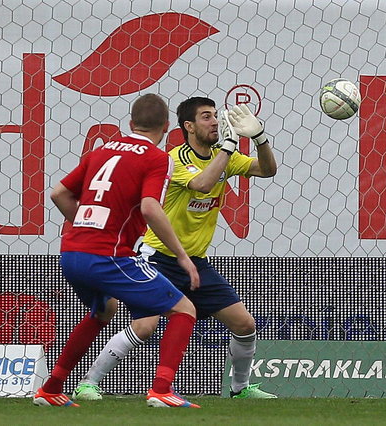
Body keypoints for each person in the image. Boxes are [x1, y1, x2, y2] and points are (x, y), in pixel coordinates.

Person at [72, 97, 278, 401]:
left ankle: (239, 389)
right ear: (188, 127)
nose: (216, 123)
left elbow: (268, 170)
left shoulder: (225, 157)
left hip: (196, 262)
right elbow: (203, 185)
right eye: (206, 117)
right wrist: (229, 147)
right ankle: (88, 382)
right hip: (159, 258)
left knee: (245, 324)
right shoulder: (174, 159)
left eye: (215, 117)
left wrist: (259, 138)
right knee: (145, 325)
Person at [33, 93, 201, 409]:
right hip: (107, 257)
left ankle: (51, 388)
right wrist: (180, 255)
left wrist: (86, 225)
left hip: (71, 255)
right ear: (167, 127)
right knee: (184, 310)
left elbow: (59, 194)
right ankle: (162, 390)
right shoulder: (157, 158)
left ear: (130, 123)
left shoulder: (101, 151)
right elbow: (151, 207)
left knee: (103, 311)